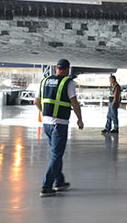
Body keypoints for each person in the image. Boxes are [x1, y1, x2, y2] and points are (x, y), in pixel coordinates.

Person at [35, 58, 84, 197]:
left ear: (56, 68)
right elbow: (74, 102)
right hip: (59, 124)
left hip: (46, 124)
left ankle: (59, 181)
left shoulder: (44, 81)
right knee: (56, 155)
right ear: (68, 69)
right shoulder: (68, 83)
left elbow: (36, 102)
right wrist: (79, 119)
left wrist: (45, 114)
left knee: (56, 154)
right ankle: (46, 186)